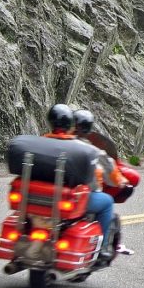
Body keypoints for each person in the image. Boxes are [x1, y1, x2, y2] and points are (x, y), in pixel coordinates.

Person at [44, 104, 115, 265]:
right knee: (107, 202)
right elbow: (94, 177)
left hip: (42, 197)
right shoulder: (83, 149)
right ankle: (103, 248)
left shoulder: (41, 142)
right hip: (70, 198)